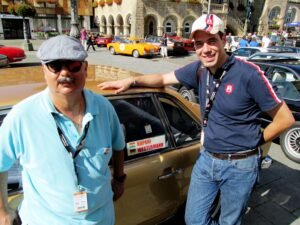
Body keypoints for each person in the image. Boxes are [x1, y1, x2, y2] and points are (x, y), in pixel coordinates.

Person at [98, 14, 295, 225]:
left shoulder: (249, 74)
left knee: (229, 221)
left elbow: (285, 119)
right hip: (207, 159)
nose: (205, 49)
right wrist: (132, 81)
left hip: (239, 165)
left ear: (223, 40)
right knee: (193, 220)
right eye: (199, 43)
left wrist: (252, 142)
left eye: (211, 41)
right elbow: (163, 79)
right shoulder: (200, 69)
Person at [0, 35, 126, 225]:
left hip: (102, 218)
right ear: (44, 70)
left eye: (73, 65)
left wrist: (119, 179)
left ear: (85, 68)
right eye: (56, 66)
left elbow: (118, 146)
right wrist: (2, 211)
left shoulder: (104, 107)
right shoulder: (22, 116)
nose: (65, 73)